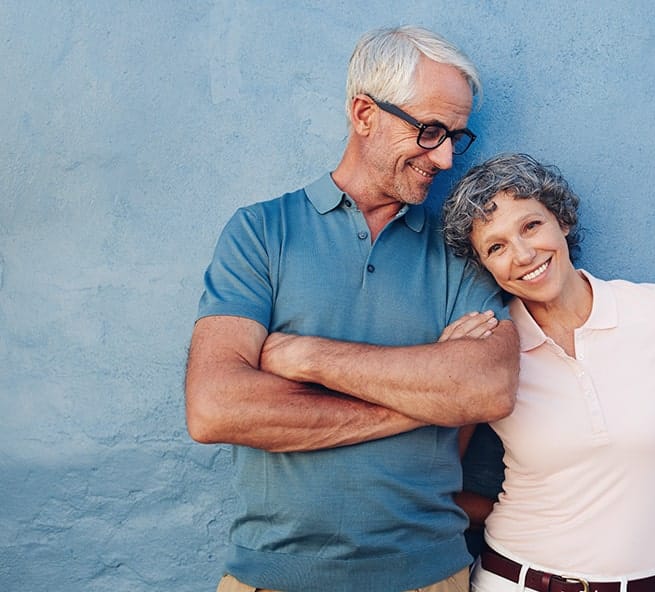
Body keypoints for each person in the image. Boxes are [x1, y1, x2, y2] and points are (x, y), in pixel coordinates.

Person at [184, 27, 520, 592]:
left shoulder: (462, 248)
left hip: (428, 577)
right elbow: (216, 407)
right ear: (364, 113)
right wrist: (424, 400)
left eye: (455, 138)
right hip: (272, 577)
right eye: (430, 130)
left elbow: (486, 388)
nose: (443, 158)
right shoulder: (262, 232)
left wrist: (306, 356)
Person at [441, 153, 655, 592]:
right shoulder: (492, 347)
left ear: (562, 220)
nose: (524, 254)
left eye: (531, 226)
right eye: (496, 247)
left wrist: (643, 512)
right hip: (517, 580)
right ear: (485, 266)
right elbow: (434, 481)